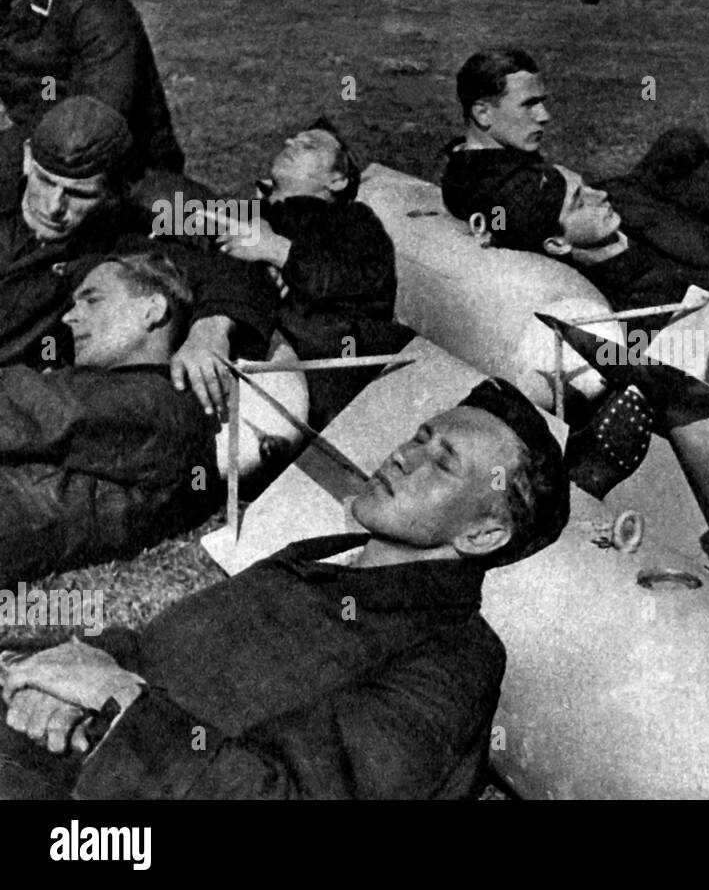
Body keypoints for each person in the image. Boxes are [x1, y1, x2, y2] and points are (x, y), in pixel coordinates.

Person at [0, 377, 569, 799]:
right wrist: (64, 677)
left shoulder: (456, 658)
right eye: (420, 437)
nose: (404, 455)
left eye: (442, 464)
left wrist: (117, 700)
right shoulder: (319, 559)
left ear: (484, 532)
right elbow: (161, 654)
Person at [0, 95, 277, 418]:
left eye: (78, 194)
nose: (52, 207)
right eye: (45, 181)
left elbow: (233, 273)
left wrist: (210, 331)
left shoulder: (120, 239)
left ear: (113, 193)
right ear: (27, 157)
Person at [440, 48, 709, 317]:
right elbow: (556, 229)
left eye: (541, 102)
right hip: (614, 240)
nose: (543, 116)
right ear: (482, 113)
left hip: (604, 203)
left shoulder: (482, 157)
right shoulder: (500, 186)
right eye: (529, 104)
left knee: (681, 146)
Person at [0, 253, 218, 587]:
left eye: (93, 300)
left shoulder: (160, 401)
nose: (70, 317)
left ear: (152, 310)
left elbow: (36, 410)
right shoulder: (128, 396)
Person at [213, 118, 414, 428]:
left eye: (308, 145)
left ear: (337, 180)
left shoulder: (351, 220)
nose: (289, 144)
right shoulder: (249, 214)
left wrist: (278, 251)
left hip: (305, 382)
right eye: (291, 141)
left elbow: (360, 279)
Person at [0, 0, 184, 210]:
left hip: (121, 173)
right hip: (38, 153)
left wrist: (13, 156)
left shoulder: (98, 11)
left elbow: (95, 130)